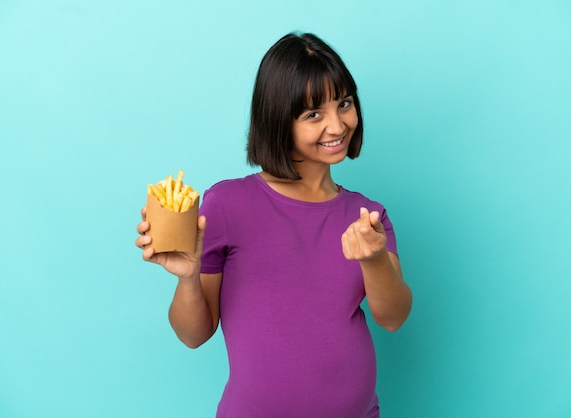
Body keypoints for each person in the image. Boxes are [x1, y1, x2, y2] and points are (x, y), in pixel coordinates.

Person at [135, 32, 412, 418]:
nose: (337, 125)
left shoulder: (367, 216)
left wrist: (375, 258)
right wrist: (187, 278)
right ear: (278, 119)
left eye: (344, 104)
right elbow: (193, 335)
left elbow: (394, 317)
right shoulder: (227, 205)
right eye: (313, 114)